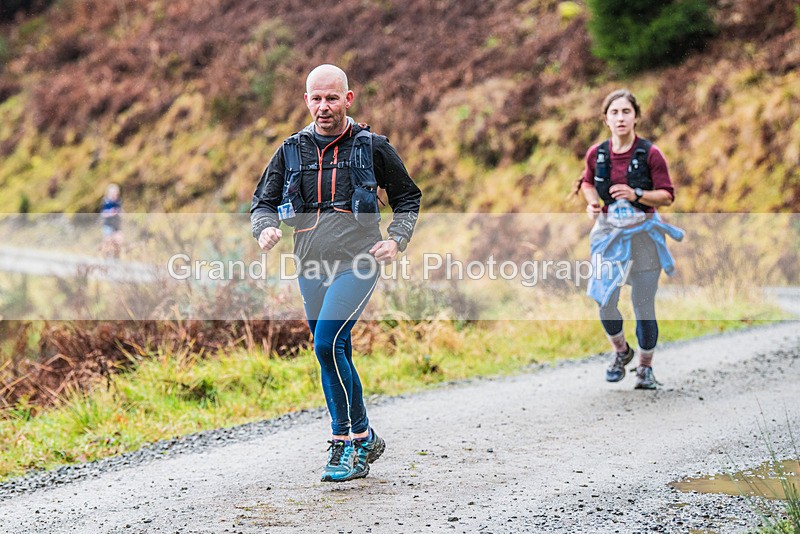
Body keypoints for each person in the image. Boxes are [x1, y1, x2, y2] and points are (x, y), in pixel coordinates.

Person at [250, 64, 422, 482]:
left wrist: (396, 239)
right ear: (306, 100)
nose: (323, 106)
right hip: (309, 264)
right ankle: (366, 438)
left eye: (332, 98)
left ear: (348, 98)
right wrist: (265, 228)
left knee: (326, 343)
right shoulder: (291, 149)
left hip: (359, 263)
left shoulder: (373, 146)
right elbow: (262, 202)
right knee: (334, 348)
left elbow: (408, 197)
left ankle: (344, 441)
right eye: (316, 98)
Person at [578, 89, 683, 390]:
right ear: (605, 119)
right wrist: (591, 203)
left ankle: (645, 369)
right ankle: (622, 351)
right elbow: (587, 181)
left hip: (644, 237)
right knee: (605, 300)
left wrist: (636, 194)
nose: (621, 117)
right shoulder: (597, 153)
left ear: (636, 117)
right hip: (609, 238)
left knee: (643, 304)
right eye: (615, 112)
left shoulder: (650, 154)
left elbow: (667, 196)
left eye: (626, 112)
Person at [100, 183, 123, 259]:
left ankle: (116, 259)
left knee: (118, 241)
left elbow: (120, 211)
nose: (116, 194)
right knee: (108, 241)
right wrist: (111, 213)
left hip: (116, 224)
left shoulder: (118, 201)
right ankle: (104, 258)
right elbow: (103, 214)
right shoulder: (106, 201)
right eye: (115, 192)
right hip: (107, 224)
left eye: (117, 192)